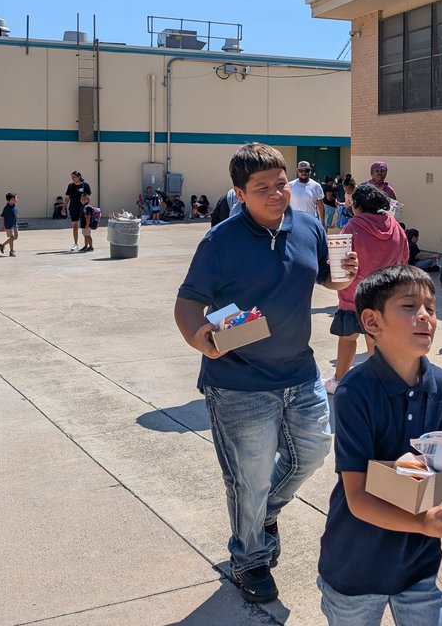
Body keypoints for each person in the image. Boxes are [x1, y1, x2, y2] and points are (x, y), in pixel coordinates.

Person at [174, 142, 357, 605]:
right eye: (263, 189)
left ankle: (263, 512)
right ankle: (250, 559)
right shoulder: (221, 240)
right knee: (247, 479)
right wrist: (201, 339)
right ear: (239, 192)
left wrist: (342, 278)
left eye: (280, 185)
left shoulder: (308, 226)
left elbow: (323, 278)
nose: (277, 195)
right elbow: (188, 303)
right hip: (239, 384)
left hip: (300, 372)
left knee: (313, 453)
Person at [316, 264, 442, 624]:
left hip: (421, 564)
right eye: (408, 306)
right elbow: (358, 497)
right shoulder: (355, 392)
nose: (425, 317)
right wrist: (424, 522)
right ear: (372, 323)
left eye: (431, 308)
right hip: (356, 566)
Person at [326, 183, 410, 393]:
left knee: (347, 339)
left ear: (357, 205)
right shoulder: (394, 225)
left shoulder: (353, 227)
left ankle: (339, 380)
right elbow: (405, 256)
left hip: (353, 295)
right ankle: (380, 382)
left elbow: (341, 262)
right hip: (385, 296)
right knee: (376, 339)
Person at [65, 171, 92, 251]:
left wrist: (87, 207)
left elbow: (88, 197)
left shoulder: (85, 185)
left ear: (79, 177)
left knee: (85, 227)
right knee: (75, 227)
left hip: (83, 209)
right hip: (73, 208)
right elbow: (67, 198)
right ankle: (75, 244)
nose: (72, 179)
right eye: (72, 177)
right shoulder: (70, 186)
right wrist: (64, 207)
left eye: (74, 177)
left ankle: (88, 245)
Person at [0, 192, 19, 257]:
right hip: (8, 225)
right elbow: (2, 217)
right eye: (15, 198)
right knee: (12, 238)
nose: (16, 199)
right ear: (10, 199)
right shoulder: (6, 208)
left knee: (15, 237)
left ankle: (2, 245)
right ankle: (11, 251)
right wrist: (2, 226)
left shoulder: (14, 206)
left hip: (14, 225)